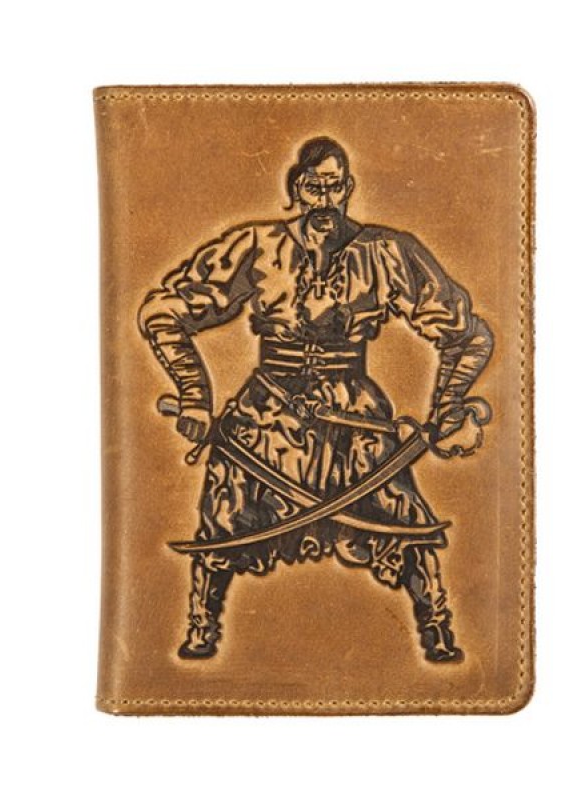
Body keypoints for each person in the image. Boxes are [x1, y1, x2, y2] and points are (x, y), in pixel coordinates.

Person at [138, 137, 493, 663]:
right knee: (224, 518)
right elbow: (163, 312)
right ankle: (201, 627)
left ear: (349, 188)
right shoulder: (256, 245)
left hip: (354, 416)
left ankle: (436, 628)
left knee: (403, 518)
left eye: (334, 186)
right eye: (312, 186)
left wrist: (447, 408)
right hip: (265, 415)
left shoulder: (387, 251)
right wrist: (194, 395)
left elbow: (467, 335)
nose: (323, 199)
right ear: (294, 189)